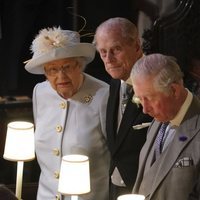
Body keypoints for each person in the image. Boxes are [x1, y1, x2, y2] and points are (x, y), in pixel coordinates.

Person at [24, 27, 110, 200]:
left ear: (80, 65)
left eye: (66, 67)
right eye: (52, 70)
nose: (61, 76)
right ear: (45, 73)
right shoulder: (39, 93)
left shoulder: (104, 95)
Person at [93, 17, 152, 199]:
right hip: (116, 187)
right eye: (103, 52)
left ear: (136, 46)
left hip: (146, 187)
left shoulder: (156, 79)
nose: (109, 59)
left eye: (116, 49)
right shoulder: (114, 83)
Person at [131, 53, 200, 200]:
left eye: (149, 98)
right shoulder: (160, 119)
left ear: (174, 90)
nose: (144, 109)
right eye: (139, 99)